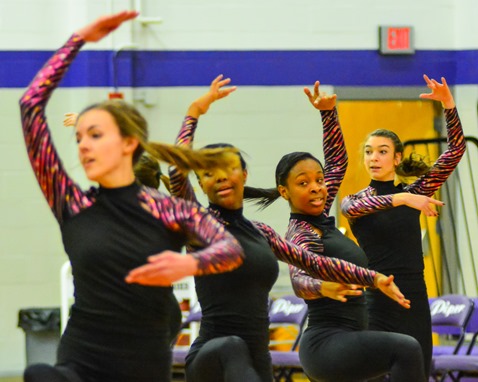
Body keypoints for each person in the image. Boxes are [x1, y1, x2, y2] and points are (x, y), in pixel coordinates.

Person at [126, 76, 411, 382]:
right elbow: (176, 173)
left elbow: (314, 263)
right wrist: (194, 111)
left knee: (244, 354)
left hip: (256, 359)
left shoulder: (262, 232)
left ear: (244, 174)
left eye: (229, 169)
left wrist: (374, 278)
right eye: (209, 173)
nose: (221, 178)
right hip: (213, 355)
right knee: (232, 347)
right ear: (201, 183)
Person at [19, 11, 247, 382]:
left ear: (128, 143)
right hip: (80, 357)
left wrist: (191, 265)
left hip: (142, 362)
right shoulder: (72, 203)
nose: (83, 147)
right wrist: (77, 40)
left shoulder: (169, 209)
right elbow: (30, 106)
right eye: (79, 138)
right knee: (40, 376)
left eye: (95, 135)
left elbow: (230, 250)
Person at [244, 81, 426, 381]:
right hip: (328, 343)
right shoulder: (302, 232)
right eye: (303, 183)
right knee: (406, 349)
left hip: (352, 337)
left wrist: (328, 114)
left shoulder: (320, 214)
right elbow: (300, 280)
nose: (316, 187)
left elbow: (338, 164)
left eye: (318, 179)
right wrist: (323, 286)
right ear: (284, 191)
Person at [341, 74, 466, 378]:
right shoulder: (357, 199)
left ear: (396, 158)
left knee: (416, 373)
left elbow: (455, 152)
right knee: (373, 373)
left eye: (382, 151)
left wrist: (449, 104)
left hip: (413, 298)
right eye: (369, 151)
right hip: (377, 298)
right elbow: (354, 208)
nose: (374, 157)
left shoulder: (414, 195)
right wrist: (404, 199)